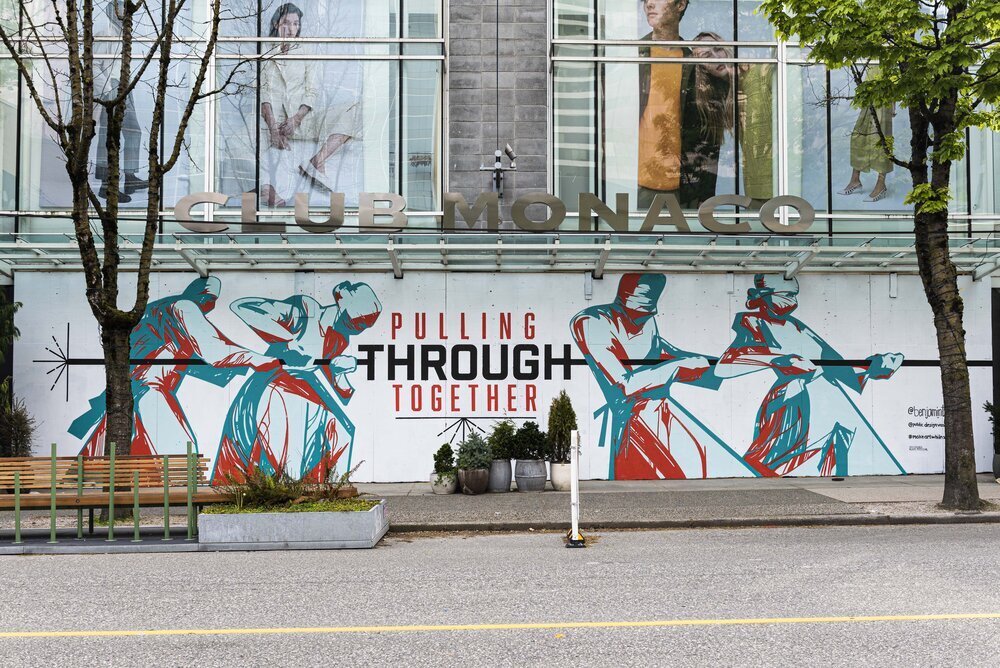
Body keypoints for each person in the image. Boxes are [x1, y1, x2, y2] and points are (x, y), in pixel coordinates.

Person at [69, 277, 284, 458]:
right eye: (211, 299)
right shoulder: (184, 307)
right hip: (149, 389)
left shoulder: (161, 311)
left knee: (113, 447)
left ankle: (90, 487)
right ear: (202, 295)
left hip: (136, 390)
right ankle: (181, 496)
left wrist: (242, 366)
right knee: (181, 449)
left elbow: (195, 363)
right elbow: (214, 350)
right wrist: (258, 360)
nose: (212, 306)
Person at [570, 273, 757, 480]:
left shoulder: (646, 323)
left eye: (649, 313)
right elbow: (626, 385)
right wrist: (677, 367)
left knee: (703, 457)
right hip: (634, 420)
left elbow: (669, 354)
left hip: (658, 414)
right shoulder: (592, 321)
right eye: (637, 312)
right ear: (622, 301)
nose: (643, 320)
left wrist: (742, 362)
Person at [716, 274, 906, 477]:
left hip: (826, 402)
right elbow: (725, 365)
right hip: (791, 400)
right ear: (766, 295)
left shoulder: (797, 325)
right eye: (788, 295)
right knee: (774, 457)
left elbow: (834, 364)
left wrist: (873, 366)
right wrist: (778, 359)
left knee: (838, 443)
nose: (794, 301)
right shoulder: (752, 321)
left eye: (795, 295)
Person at [212, 282, 381, 483]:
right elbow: (242, 307)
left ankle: (332, 486)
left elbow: (340, 388)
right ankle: (287, 487)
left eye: (365, 326)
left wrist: (340, 370)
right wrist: (288, 341)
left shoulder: (340, 339)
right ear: (343, 310)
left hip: (305, 385)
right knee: (289, 446)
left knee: (343, 431)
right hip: (275, 379)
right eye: (357, 323)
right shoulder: (306, 311)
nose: (359, 330)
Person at [259, 3, 360, 207]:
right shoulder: (265, 49)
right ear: (276, 24)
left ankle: (317, 160)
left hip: (304, 120)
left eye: (295, 24)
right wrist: (273, 129)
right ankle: (266, 189)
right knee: (242, 138)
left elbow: (312, 90)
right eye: (286, 22)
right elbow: (264, 91)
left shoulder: (306, 49)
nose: (291, 28)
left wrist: (296, 119)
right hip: (274, 122)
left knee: (354, 110)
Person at [637, 0, 734, 209]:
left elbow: (709, 131)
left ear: (680, 4)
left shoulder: (694, 63)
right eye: (645, 0)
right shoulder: (633, 55)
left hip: (684, 185)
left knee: (682, 242)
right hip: (637, 181)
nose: (649, 4)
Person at [94, 0, 148, 203]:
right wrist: (108, 91)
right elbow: (93, 64)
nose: (125, 14)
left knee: (130, 132)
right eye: (121, 10)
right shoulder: (105, 34)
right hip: (113, 87)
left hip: (123, 86)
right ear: (113, 12)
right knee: (111, 136)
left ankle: (129, 177)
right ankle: (108, 186)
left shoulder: (122, 35)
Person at [840, 66, 894, 202]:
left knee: (881, 141)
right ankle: (855, 179)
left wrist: (892, 106)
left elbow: (895, 81)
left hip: (883, 101)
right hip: (869, 101)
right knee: (858, 137)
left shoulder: (889, 54)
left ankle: (881, 183)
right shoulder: (872, 54)